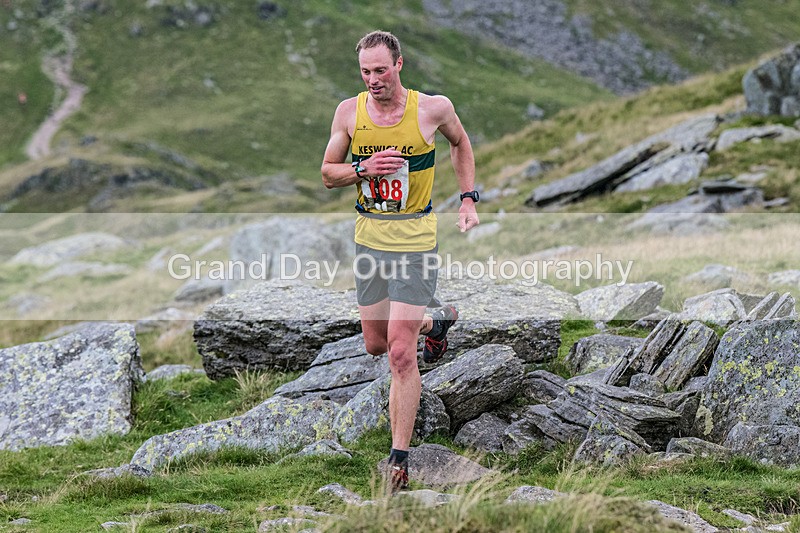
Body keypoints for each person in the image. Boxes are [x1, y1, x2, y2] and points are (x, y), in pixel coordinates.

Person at [321, 30, 480, 492]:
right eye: (365, 72)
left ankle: (398, 461)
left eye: (381, 70)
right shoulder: (349, 113)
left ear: (399, 65)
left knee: (398, 352)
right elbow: (328, 174)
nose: (373, 79)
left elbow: (461, 143)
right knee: (374, 342)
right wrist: (361, 169)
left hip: (415, 239)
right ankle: (436, 323)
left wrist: (468, 199)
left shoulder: (432, 109)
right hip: (369, 238)